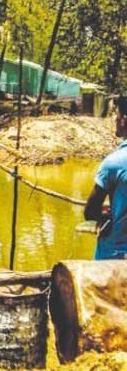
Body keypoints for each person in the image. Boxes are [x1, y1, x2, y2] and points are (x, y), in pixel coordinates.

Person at [85, 96, 127, 259]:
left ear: (124, 120)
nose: (114, 120)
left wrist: (105, 215)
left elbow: (90, 212)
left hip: (115, 258)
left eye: (116, 115)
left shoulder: (113, 163)